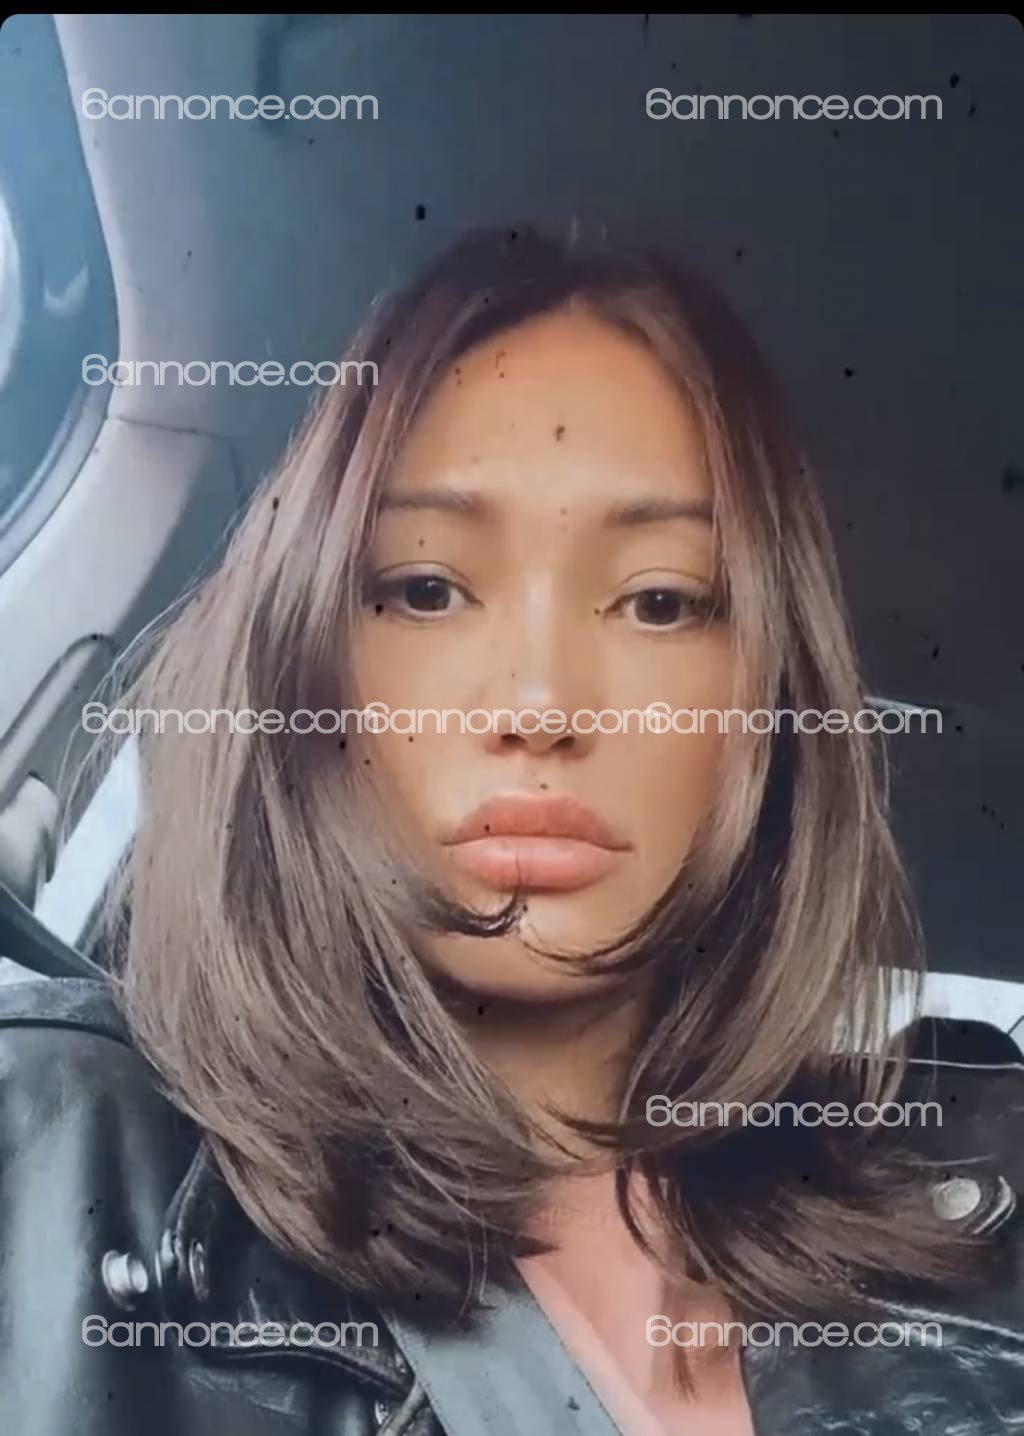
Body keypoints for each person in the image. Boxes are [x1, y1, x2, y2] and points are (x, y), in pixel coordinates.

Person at [1, 226, 1021, 1436]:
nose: (540, 702)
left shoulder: (965, 1208)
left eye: (660, 600)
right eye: (426, 588)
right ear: (296, 662)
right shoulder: (56, 1161)